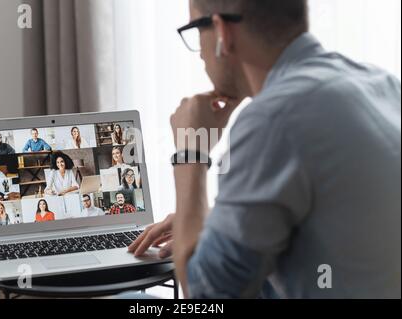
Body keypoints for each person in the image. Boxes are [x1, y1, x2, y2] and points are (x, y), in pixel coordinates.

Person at [129, 0, 401, 299]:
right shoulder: (381, 84)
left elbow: (207, 295)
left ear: (221, 32)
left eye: (195, 31)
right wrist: (206, 223)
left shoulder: (275, 117)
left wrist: (191, 152)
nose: (201, 57)